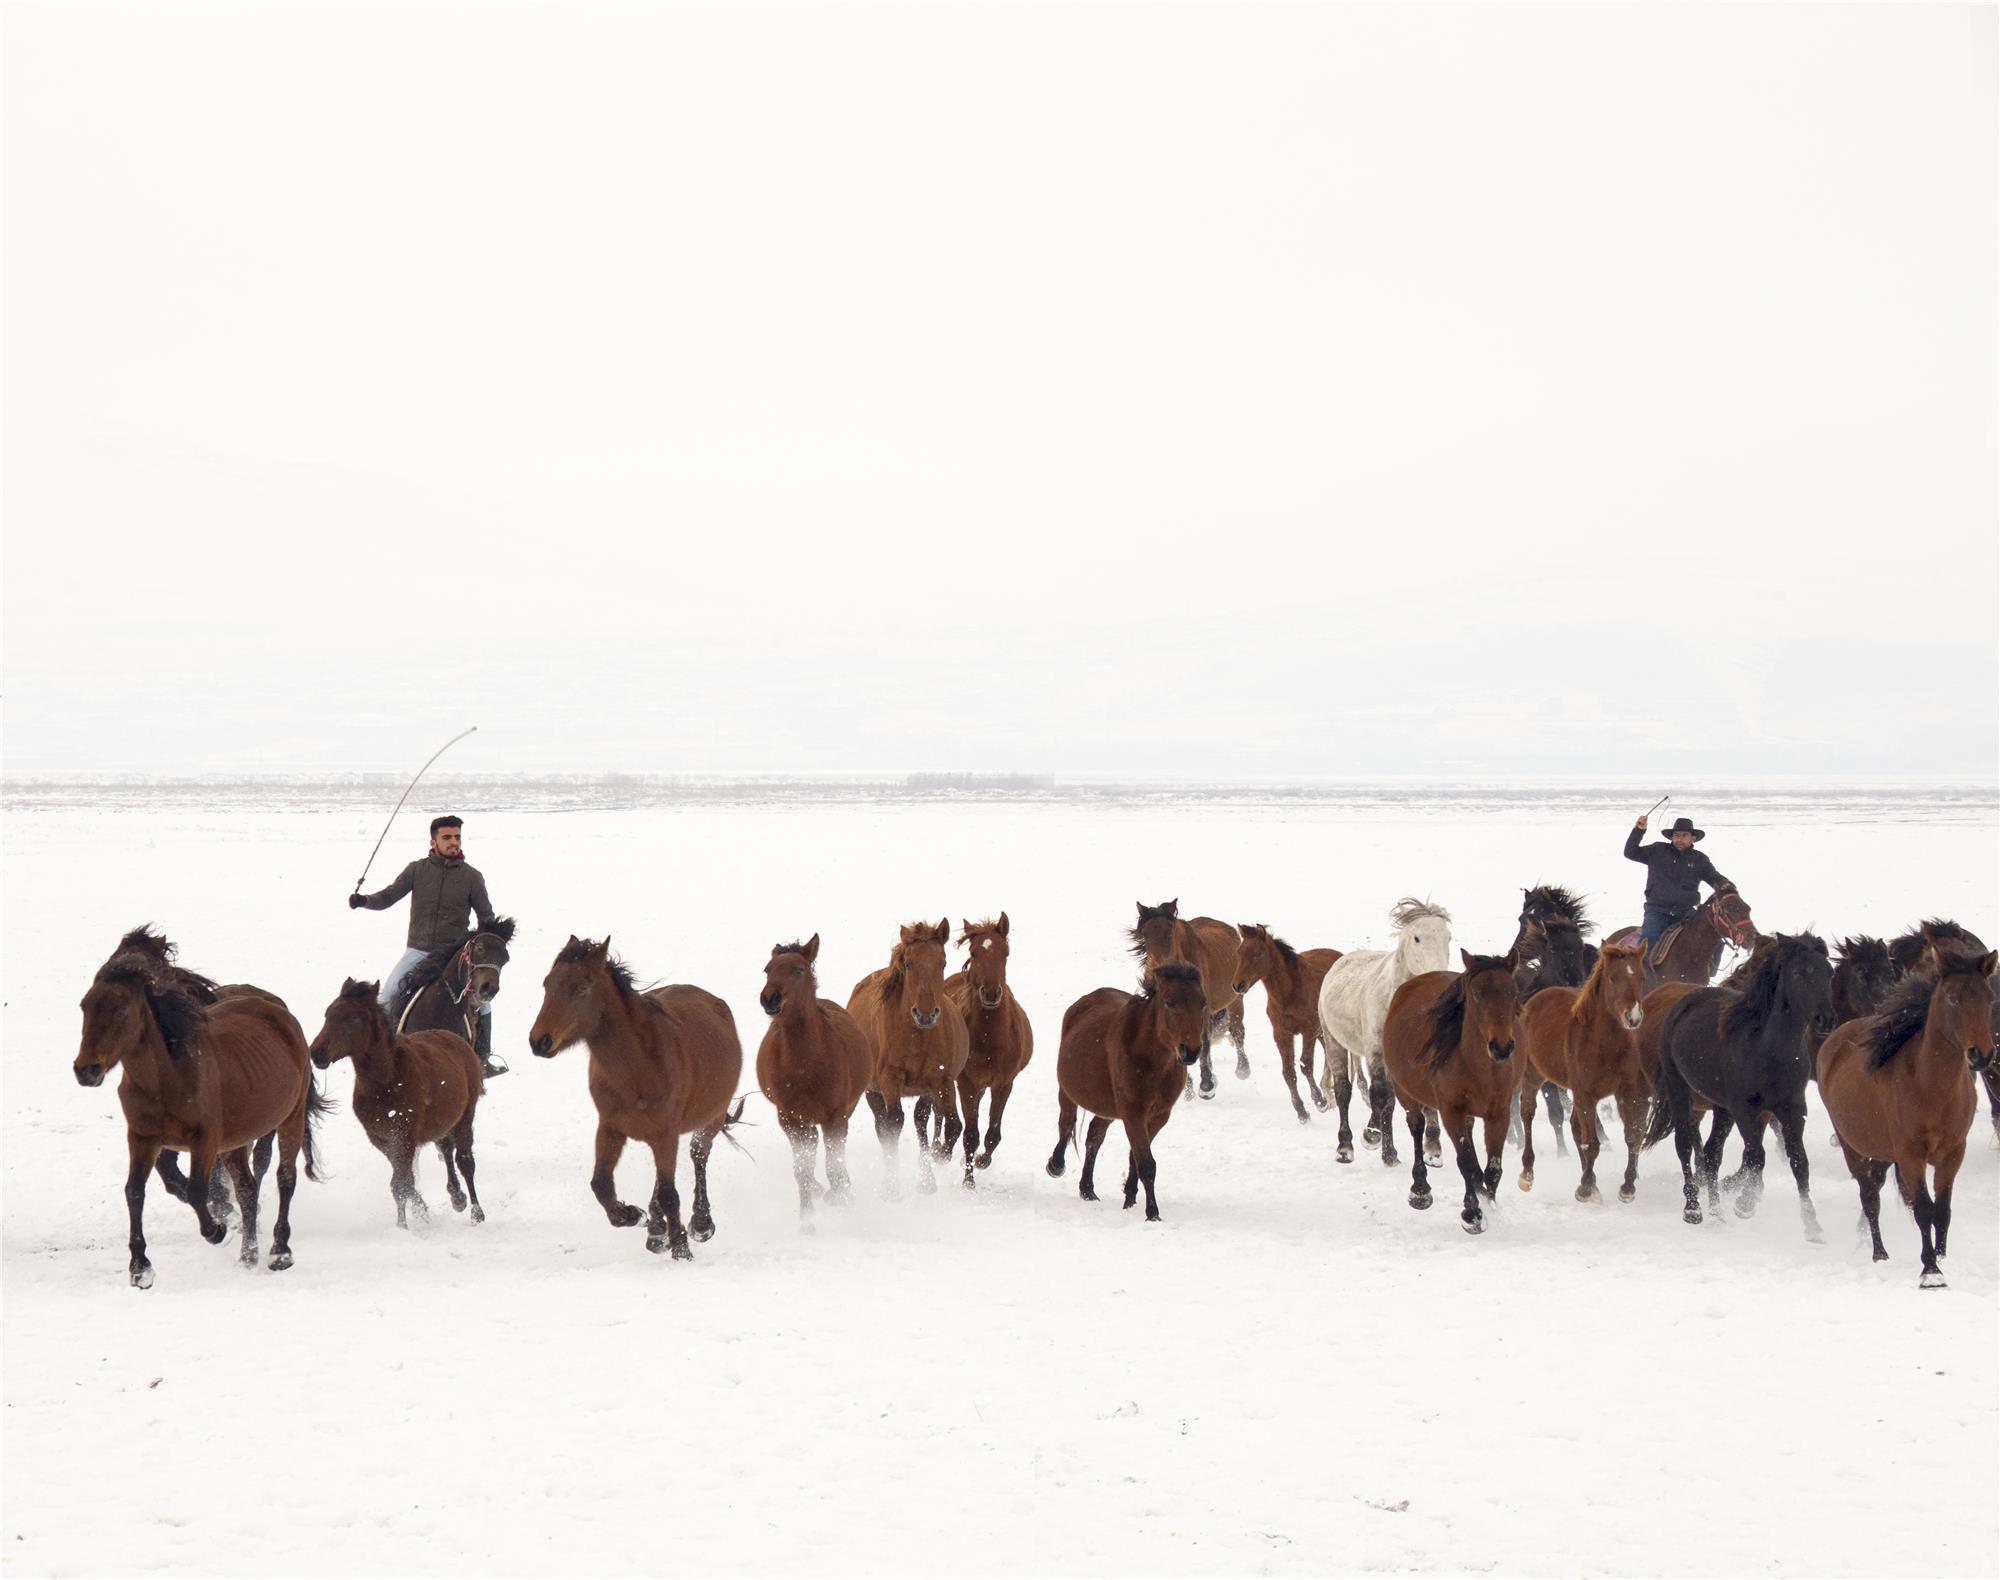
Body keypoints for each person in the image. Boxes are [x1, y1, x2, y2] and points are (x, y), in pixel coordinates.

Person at [348, 815, 505, 1077]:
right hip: (418, 950)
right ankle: (380, 1055)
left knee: (485, 1002)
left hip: (456, 956)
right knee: (386, 997)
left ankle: (483, 1060)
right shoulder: (417, 870)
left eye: (457, 837)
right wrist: (364, 900)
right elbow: (388, 897)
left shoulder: (472, 877)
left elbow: (486, 917)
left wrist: (487, 943)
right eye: (447, 837)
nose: (453, 842)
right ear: (433, 841)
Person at [1624, 812, 1734, 953]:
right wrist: (1639, 830)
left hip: (1686, 913)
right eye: (1676, 835)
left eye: (1684, 835)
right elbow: (1630, 852)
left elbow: (1714, 878)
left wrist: (1726, 885)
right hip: (1657, 911)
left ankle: (1707, 973)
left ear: (1692, 838)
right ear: (1671, 837)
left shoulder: (1700, 860)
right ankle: (1644, 973)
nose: (1679, 839)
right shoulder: (1657, 851)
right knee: (1647, 942)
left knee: (1714, 937)